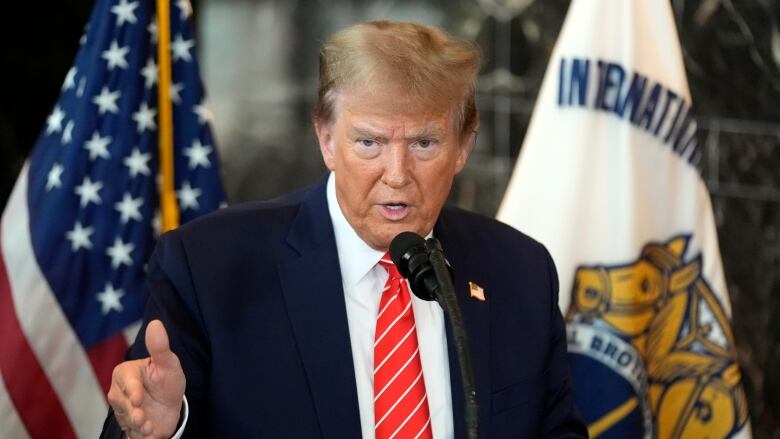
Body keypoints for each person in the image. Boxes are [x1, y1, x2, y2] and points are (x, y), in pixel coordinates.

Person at [101, 20, 587, 438]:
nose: (396, 173)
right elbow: (140, 416)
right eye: (370, 142)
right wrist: (167, 428)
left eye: (424, 142)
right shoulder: (210, 269)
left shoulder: (518, 270)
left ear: (463, 147)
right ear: (327, 140)